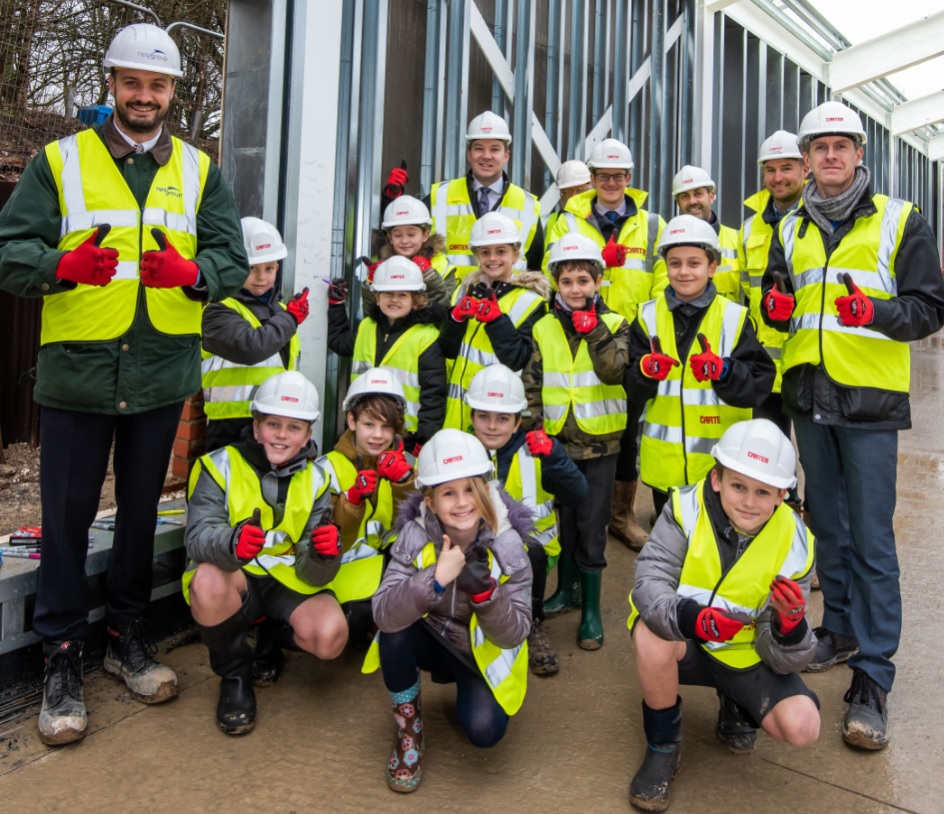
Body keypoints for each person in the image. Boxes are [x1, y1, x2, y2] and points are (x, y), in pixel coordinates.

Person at [0, 23, 247, 746]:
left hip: (161, 369)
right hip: (78, 371)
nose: (145, 96)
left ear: (175, 91)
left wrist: (197, 276)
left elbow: (231, 256)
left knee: (140, 515)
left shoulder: (201, 171)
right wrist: (61, 267)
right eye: (133, 82)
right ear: (111, 84)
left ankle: (126, 638)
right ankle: (62, 657)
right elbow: (10, 251)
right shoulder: (58, 162)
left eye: (159, 84)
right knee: (68, 521)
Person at [761, 101, 944, 750]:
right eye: (820, 146)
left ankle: (873, 677)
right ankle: (837, 632)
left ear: (860, 154)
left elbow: (929, 309)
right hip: (810, 399)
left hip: (868, 405)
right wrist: (774, 306)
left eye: (842, 145)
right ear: (806, 158)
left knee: (872, 541)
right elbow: (778, 306)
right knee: (827, 530)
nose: (831, 155)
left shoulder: (901, 221)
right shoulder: (789, 230)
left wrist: (880, 313)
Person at [626, 419, 819, 811]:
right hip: (689, 642)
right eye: (738, 486)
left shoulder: (796, 540)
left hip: (745, 654)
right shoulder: (684, 508)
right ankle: (662, 745)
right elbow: (648, 582)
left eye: (763, 491)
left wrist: (789, 626)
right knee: (650, 634)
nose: (749, 501)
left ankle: (736, 701)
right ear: (716, 479)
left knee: (803, 727)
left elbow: (794, 656)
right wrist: (693, 619)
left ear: (782, 494)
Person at [366, 429, 533, 792]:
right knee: (393, 632)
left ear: (485, 490)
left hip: (477, 656)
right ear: (429, 500)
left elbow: (516, 631)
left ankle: (470, 691)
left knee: (484, 731)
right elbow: (382, 611)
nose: (461, 503)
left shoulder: (508, 545)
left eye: (470, 488)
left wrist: (486, 594)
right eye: (448, 493)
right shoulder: (414, 533)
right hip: (431, 639)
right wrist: (435, 580)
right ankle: (409, 731)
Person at [184, 372, 347, 735]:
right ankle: (235, 677)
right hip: (236, 576)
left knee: (330, 636)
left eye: (293, 427)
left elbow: (312, 574)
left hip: (284, 581)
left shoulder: (318, 478)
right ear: (256, 427)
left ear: (308, 434)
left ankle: (269, 642)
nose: (281, 435)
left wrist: (325, 556)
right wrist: (232, 543)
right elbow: (196, 537)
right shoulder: (219, 464)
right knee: (207, 582)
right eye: (272, 423)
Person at [544, 137, 666, 553]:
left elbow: (663, 280)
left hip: (627, 334)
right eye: (602, 176)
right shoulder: (567, 219)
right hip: (576, 332)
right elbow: (552, 269)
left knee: (628, 427)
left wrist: (648, 334)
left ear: (629, 178)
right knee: (576, 420)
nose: (611, 183)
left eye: (618, 176)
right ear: (592, 179)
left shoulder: (652, 224)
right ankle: (578, 510)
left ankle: (621, 514)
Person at [626, 215, 775, 518]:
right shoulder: (646, 317)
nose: (683, 272)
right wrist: (644, 372)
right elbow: (630, 387)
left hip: (721, 468)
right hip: (665, 470)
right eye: (674, 263)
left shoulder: (735, 317)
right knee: (672, 551)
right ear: (664, 267)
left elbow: (759, 383)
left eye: (694, 263)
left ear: (711, 268)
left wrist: (725, 371)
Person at [523, 232, 629, 650]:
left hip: (600, 444)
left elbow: (614, 372)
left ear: (598, 282)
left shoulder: (617, 323)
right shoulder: (544, 325)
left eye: (584, 280)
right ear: (556, 284)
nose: (576, 290)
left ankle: (591, 610)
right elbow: (532, 381)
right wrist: (533, 426)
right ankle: (565, 590)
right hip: (557, 443)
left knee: (591, 524)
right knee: (564, 521)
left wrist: (595, 333)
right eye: (567, 282)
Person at [465, 363, 589, 676]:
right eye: (483, 416)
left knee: (527, 550)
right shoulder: (460, 449)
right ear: (471, 417)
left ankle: (530, 623)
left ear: (518, 420)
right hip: (473, 549)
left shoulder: (538, 451)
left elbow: (577, 494)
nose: (492, 426)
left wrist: (556, 458)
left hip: (530, 554)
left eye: (503, 418)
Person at [316, 368, 417, 633]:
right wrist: (352, 501)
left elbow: (422, 523)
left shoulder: (411, 467)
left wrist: (406, 483)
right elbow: (320, 532)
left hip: (393, 568)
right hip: (343, 574)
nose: (377, 435)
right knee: (354, 623)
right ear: (351, 421)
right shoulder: (326, 468)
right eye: (369, 424)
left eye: (386, 427)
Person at [381, 111, 544, 274]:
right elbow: (400, 234)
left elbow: (536, 267)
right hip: (448, 298)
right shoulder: (440, 196)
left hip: (506, 298)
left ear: (506, 155)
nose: (486, 156)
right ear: (469, 154)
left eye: (494, 149)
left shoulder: (528, 205)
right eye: (479, 149)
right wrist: (392, 198)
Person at [201, 216, 309, 451]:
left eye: (269, 268)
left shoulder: (281, 312)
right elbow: (250, 348)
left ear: (277, 268)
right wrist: (290, 319)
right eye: (252, 269)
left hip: (276, 420)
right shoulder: (218, 309)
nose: (262, 278)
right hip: (231, 426)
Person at [440, 212, 550, 431]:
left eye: (501, 251)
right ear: (476, 255)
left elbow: (520, 360)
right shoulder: (462, 293)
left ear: (516, 254)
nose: (492, 259)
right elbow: (447, 350)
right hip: (456, 412)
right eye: (485, 252)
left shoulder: (531, 302)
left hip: (498, 415)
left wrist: (497, 322)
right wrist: (455, 319)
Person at [327, 256, 446, 451]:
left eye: (402, 295)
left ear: (416, 300)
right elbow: (339, 343)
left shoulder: (427, 336)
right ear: (377, 297)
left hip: (405, 437)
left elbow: (434, 394)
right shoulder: (367, 326)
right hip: (364, 432)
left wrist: (425, 439)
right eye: (388, 293)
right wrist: (336, 305)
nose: (394, 300)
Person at [738, 131, 808, 438]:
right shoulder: (749, 228)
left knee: (816, 465)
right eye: (770, 169)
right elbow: (744, 296)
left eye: (786, 168)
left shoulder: (820, 219)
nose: (777, 177)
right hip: (764, 367)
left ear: (805, 168)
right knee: (765, 458)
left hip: (809, 365)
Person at [360, 196, 454, 311]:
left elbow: (446, 311)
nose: (404, 241)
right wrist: (370, 285)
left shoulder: (441, 265)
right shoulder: (384, 267)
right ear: (390, 238)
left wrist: (429, 277)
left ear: (425, 235)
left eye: (411, 234)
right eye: (398, 235)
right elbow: (371, 314)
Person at [671, 165, 741, 304]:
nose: (692, 201)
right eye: (685, 196)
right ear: (678, 202)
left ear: (711, 196)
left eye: (698, 193)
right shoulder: (668, 243)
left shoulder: (738, 240)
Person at [543, 159, 593, 238]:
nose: (573, 196)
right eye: (567, 191)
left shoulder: (602, 221)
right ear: (561, 194)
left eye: (580, 190)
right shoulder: (544, 223)